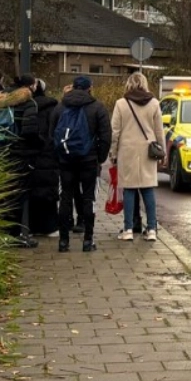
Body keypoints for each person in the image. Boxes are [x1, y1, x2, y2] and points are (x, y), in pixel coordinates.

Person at [48, 75, 112, 253]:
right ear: (89, 88)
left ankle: (63, 242)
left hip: (66, 160)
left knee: (65, 197)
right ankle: (87, 240)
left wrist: (58, 157)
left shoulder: (60, 107)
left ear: (74, 87)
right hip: (88, 161)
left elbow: (51, 135)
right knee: (89, 198)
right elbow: (106, 136)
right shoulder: (97, 107)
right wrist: (99, 157)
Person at [110, 72, 166, 242]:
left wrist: (113, 152)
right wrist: (162, 150)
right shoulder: (154, 103)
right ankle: (151, 230)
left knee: (129, 189)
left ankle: (128, 229)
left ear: (129, 84)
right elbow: (159, 131)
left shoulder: (121, 104)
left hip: (127, 151)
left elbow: (115, 132)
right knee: (148, 188)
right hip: (148, 151)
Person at [0, 73, 40, 246]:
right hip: (20, 152)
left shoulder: (1, 100)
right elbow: (30, 131)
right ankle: (15, 234)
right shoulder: (28, 103)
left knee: (2, 191)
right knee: (18, 194)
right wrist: (37, 146)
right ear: (29, 86)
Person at [27, 79, 61, 236]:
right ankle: (50, 226)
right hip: (49, 155)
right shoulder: (53, 108)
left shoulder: (27, 106)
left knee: (33, 190)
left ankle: (32, 226)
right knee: (49, 190)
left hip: (32, 154)